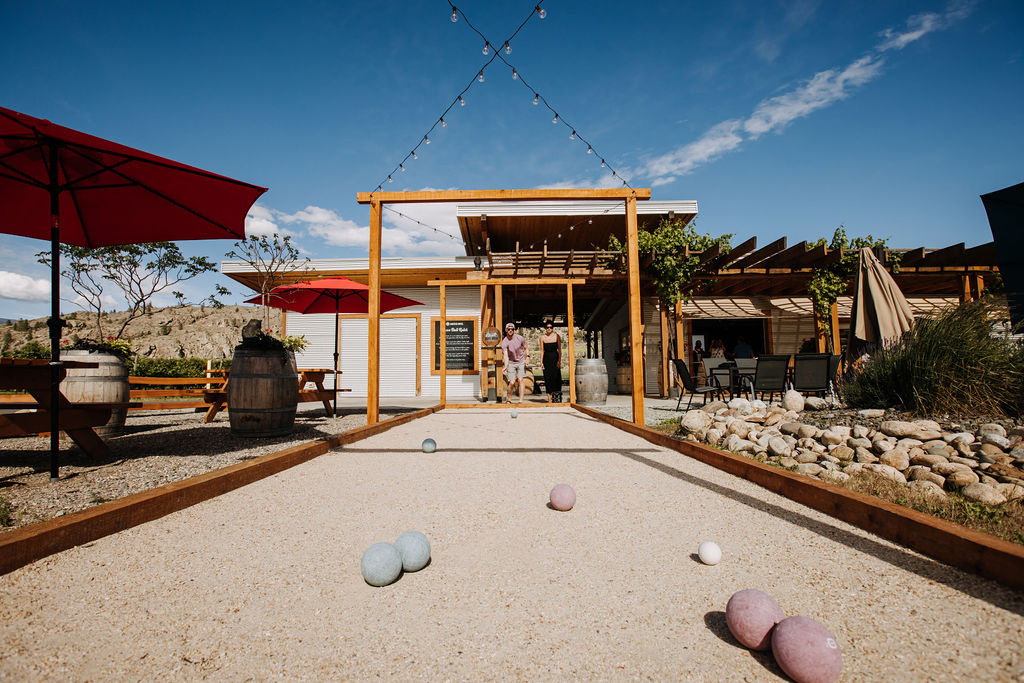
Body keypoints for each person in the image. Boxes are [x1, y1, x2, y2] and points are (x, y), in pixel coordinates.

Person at [499, 322, 530, 403]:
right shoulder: (504, 342)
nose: (510, 330)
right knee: (512, 382)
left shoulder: (520, 338)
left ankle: (520, 400)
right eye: (508, 329)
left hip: (521, 361)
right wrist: (505, 366)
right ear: (506, 330)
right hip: (511, 362)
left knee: (520, 380)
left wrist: (528, 357)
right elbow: (505, 355)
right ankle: (509, 399)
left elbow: (526, 348)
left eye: (512, 329)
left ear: (514, 330)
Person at [539, 320, 562, 403]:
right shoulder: (542, 338)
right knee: (547, 378)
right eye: (547, 327)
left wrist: (559, 360)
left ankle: (555, 396)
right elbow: (542, 350)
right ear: (545, 328)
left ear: (552, 328)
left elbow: (559, 349)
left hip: (555, 358)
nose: (549, 329)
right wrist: (541, 362)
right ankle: (549, 399)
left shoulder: (557, 336)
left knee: (556, 377)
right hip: (546, 359)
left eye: (550, 327)